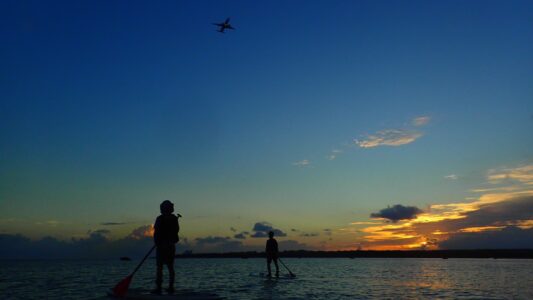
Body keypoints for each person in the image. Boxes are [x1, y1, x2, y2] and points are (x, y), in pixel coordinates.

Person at [152, 200, 180, 294]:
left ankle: (160, 287)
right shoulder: (171, 219)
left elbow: (175, 232)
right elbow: (176, 232)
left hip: (166, 246)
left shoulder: (164, 218)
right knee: (168, 267)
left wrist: (158, 241)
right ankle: (169, 287)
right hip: (166, 245)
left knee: (161, 267)